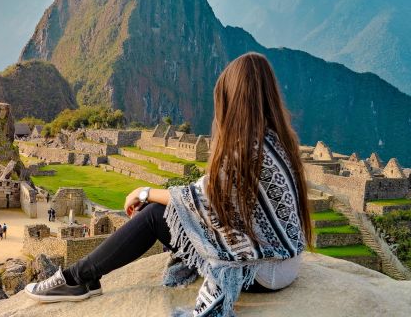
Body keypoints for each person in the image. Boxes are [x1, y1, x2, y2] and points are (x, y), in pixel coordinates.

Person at [24, 53, 312, 316]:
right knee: (166, 206)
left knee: (154, 214)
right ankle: (80, 276)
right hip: (286, 263)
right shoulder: (278, 142)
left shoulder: (245, 151)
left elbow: (203, 197)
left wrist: (144, 192)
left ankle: (77, 278)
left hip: (263, 272)